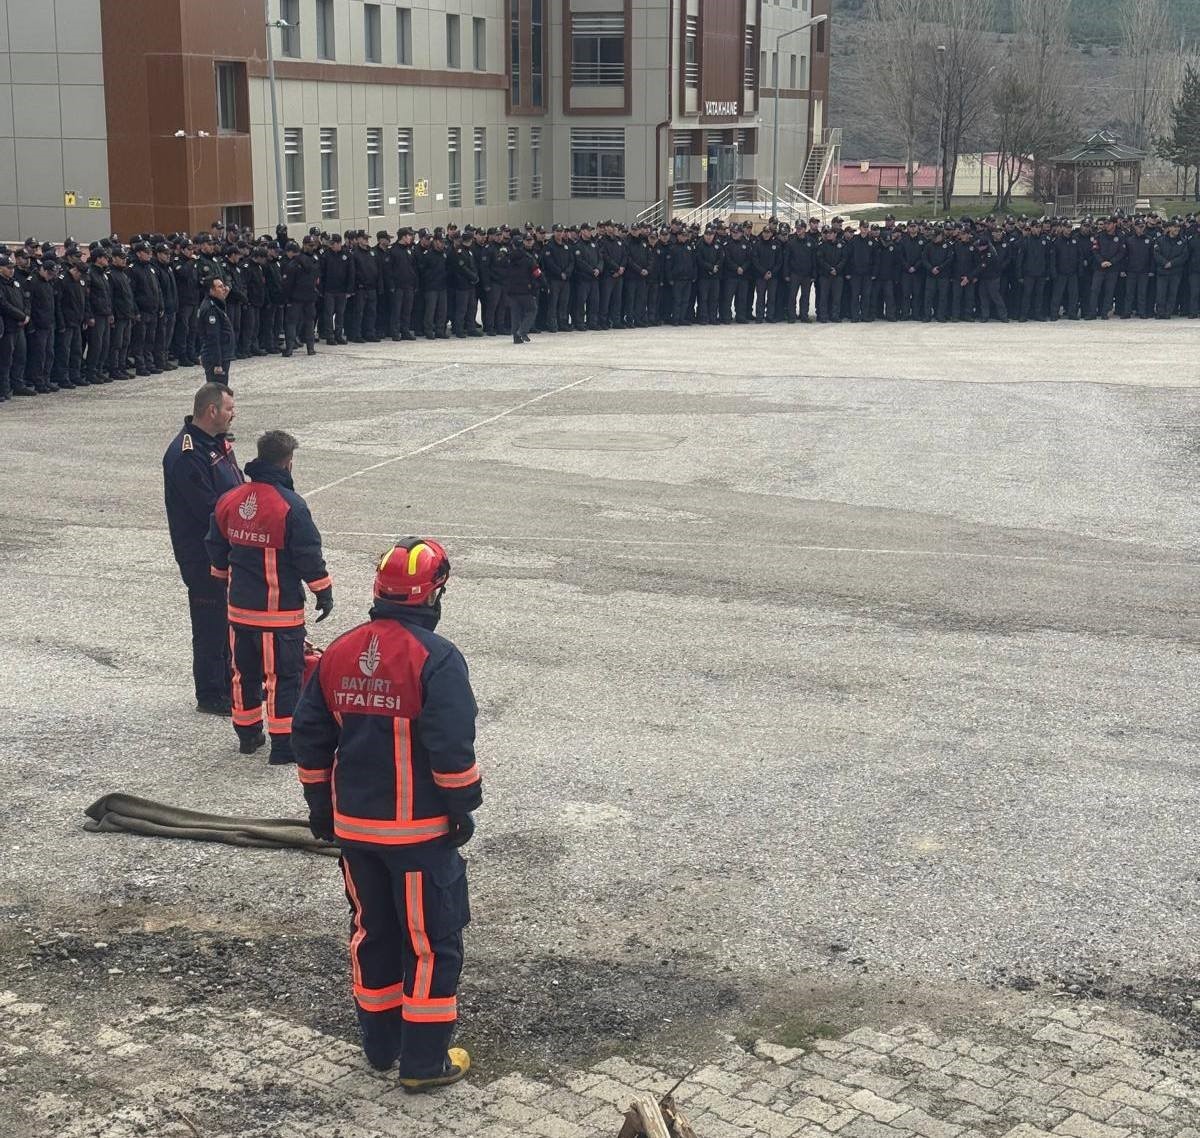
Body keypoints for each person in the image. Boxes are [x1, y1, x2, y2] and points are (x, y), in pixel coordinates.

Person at [291, 538, 481, 1092]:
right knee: (429, 942)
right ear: (435, 593)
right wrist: (463, 808)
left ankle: (379, 1046)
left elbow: (310, 736)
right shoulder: (437, 658)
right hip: (419, 835)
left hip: (354, 831)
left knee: (371, 931)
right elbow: (450, 750)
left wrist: (319, 806)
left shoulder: (341, 650)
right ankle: (424, 1063)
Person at [206, 430, 332, 764]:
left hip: (239, 611)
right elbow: (308, 556)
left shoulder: (231, 499)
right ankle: (283, 745)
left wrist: (222, 577)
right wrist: (324, 592)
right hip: (279, 615)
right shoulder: (290, 506)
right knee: (283, 678)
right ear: (288, 462)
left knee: (242, 674)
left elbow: (216, 546)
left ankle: (248, 736)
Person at [162, 382, 243, 715]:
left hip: (224, 548)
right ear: (212, 411)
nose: (233, 414)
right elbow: (207, 508)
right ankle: (211, 693)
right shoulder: (187, 453)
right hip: (202, 552)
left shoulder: (217, 444)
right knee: (210, 621)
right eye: (228, 409)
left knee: (226, 620)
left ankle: (227, 682)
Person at [197, 276, 237, 383]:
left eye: (223, 286)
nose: (224, 289)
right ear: (211, 290)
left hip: (222, 354)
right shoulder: (211, 309)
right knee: (217, 392)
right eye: (220, 287)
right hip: (216, 357)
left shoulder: (217, 304)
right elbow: (213, 337)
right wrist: (217, 363)